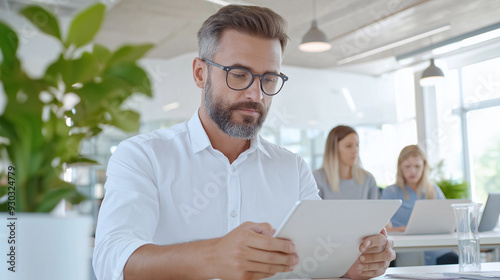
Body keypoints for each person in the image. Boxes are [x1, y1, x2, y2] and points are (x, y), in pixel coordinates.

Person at [92, 5, 395, 280]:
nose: (256, 94)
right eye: (239, 74)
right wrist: (212, 256)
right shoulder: (143, 156)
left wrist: (349, 266)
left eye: (269, 79)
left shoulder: (292, 167)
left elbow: (314, 260)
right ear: (201, 73)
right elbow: (111, 259)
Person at [381, 145, 458, 265]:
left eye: (417, 166)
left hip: (433, 248)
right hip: (403, 249)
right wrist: (400, 229)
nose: (413, 171)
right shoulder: (390, 192)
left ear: (424, 166)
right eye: (407, 166)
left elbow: (447, 222)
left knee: (452, 259)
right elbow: (382, 228)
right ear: (400, 167)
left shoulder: (434, 191)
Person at [313, 125, 379, 199]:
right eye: (349, 146)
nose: (355, 150)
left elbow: (374, 210)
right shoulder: (317, 178)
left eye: (357, 145)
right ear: (334, 149)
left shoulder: (368, 179)